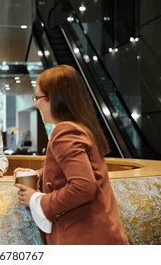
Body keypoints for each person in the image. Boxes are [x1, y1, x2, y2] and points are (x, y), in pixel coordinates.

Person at [15, 65, 128, 245]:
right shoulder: (81, 127)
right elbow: (73, 169)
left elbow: (83, 186)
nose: (36, 103)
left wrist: (38, 200)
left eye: (39, 97)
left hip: (82, 238)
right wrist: (38, 174)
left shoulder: (64, 131)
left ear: (57, 98)